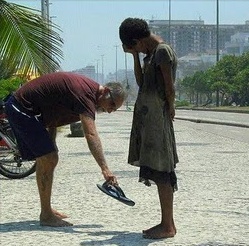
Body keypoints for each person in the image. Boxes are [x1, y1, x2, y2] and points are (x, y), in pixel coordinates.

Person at [4, 71, 127, 227]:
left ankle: (46, 210)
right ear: (106, 92)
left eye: (114, 109)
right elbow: (90, 134)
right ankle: (46, 215)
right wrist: (105, 169)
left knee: (49, 157)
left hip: (27, 109)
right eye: (112, 105)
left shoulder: (88, 93)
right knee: (49, 158)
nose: (110, 111)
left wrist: (52, 141)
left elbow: (53, 114)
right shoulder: (85, 94)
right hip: (20, 107)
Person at [119, 17, 179, 239]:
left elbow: (169, 87)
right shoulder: (150, 54)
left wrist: (171, 107)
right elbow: (142, 83)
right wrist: (136, 56)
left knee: (162, 170)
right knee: (157, 168)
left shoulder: (162, 51)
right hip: (150, 118)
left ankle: (167, 226)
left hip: (158, 118)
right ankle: (167, 223)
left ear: (137, 39)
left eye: (133, 46)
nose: (135, 50)